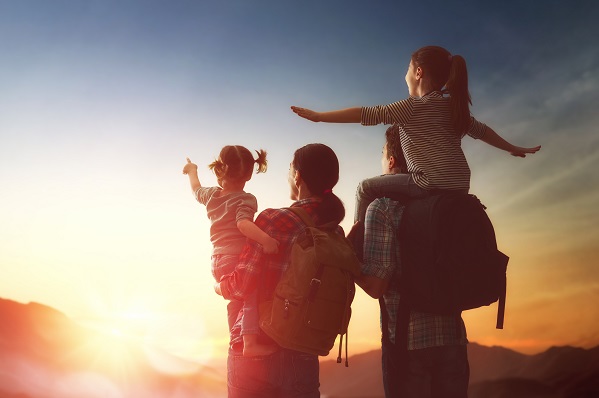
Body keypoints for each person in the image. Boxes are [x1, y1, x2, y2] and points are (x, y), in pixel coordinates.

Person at [291, 45, 541, 223]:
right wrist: (512, 147)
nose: (405, 75)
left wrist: (320, 116)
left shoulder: (412, 108)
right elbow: (483, 132)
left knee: (365, 188)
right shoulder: (453, 107)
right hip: (460, 185)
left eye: (408, 69)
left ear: (419, 72)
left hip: (429, 183)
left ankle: (357, 247)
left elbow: (366, 113)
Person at [215, 143, 345, 398]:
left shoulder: (273, 220)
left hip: (257, 348)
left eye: (289, 169)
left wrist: (219, 286)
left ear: (297, 176)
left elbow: (242, 285)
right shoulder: (334, 231)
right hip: (304, 351)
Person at [351, 128, 469, 398]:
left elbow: (376, 287)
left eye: (382, 154)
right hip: (454, 338)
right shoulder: (446, 205)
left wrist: (347, 258)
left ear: (391, 160)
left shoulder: (381, 207)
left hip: (408, 341)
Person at [182, 145, 279, 357]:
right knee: (250, 294)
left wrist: (192, 170)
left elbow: (196, 189)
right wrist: (266, 240)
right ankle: (250, 344)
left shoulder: (211, 196)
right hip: (236, 258)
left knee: (236, 301)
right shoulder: (245, 199)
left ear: (219, 170)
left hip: (216, 260)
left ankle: (236, 338)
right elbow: (243, 224)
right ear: (249, 175)